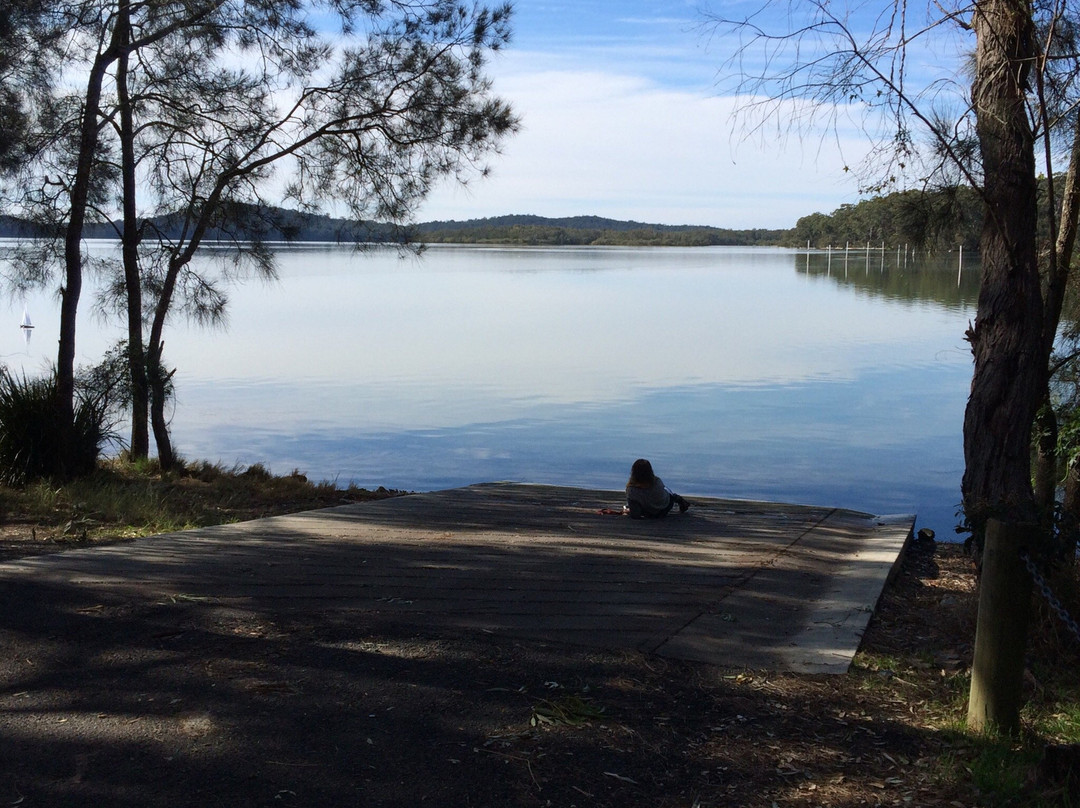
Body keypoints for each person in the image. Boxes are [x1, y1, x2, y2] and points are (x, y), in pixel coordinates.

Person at [624, 458, 691, 519]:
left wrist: (628, 511)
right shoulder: (657, 481)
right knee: (667, 491)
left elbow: (635, 515)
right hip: (664, 510)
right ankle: (679, 499)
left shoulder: (631, 490)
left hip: (648, 514)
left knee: (633, 500)